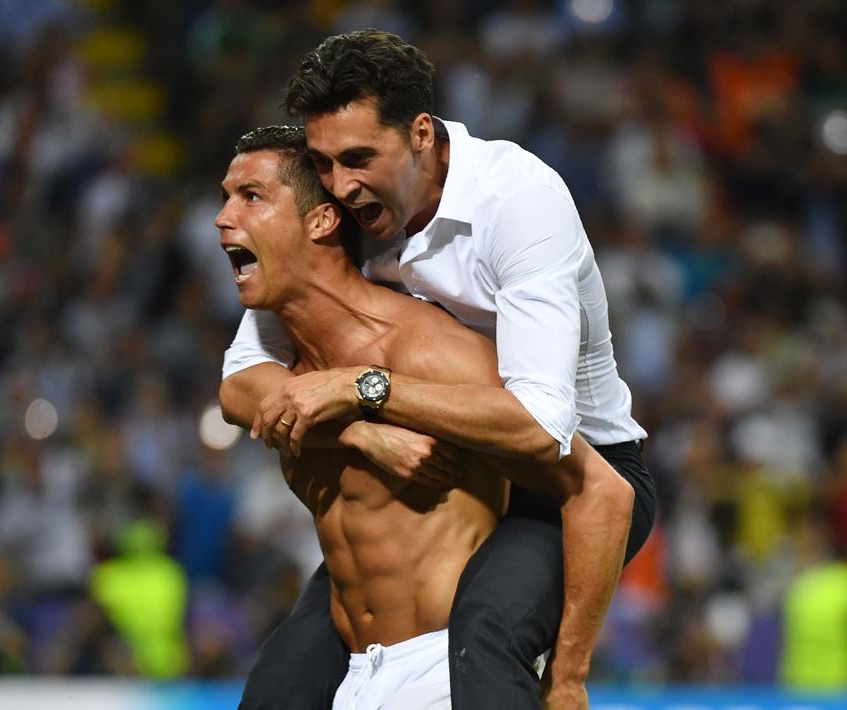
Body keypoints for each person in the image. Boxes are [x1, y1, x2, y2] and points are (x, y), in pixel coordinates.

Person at [221, 31, 656, 709]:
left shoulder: (516, 203)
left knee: (484, 635)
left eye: (358, 158)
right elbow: (245, 378)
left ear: (421, 134)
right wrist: (362, 430)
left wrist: (363, 391)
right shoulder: (345, 218)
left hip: (577, 473)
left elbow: (543, 427)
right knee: (284, 682)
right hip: (463, 458)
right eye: (324, 163)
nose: (340, 185)